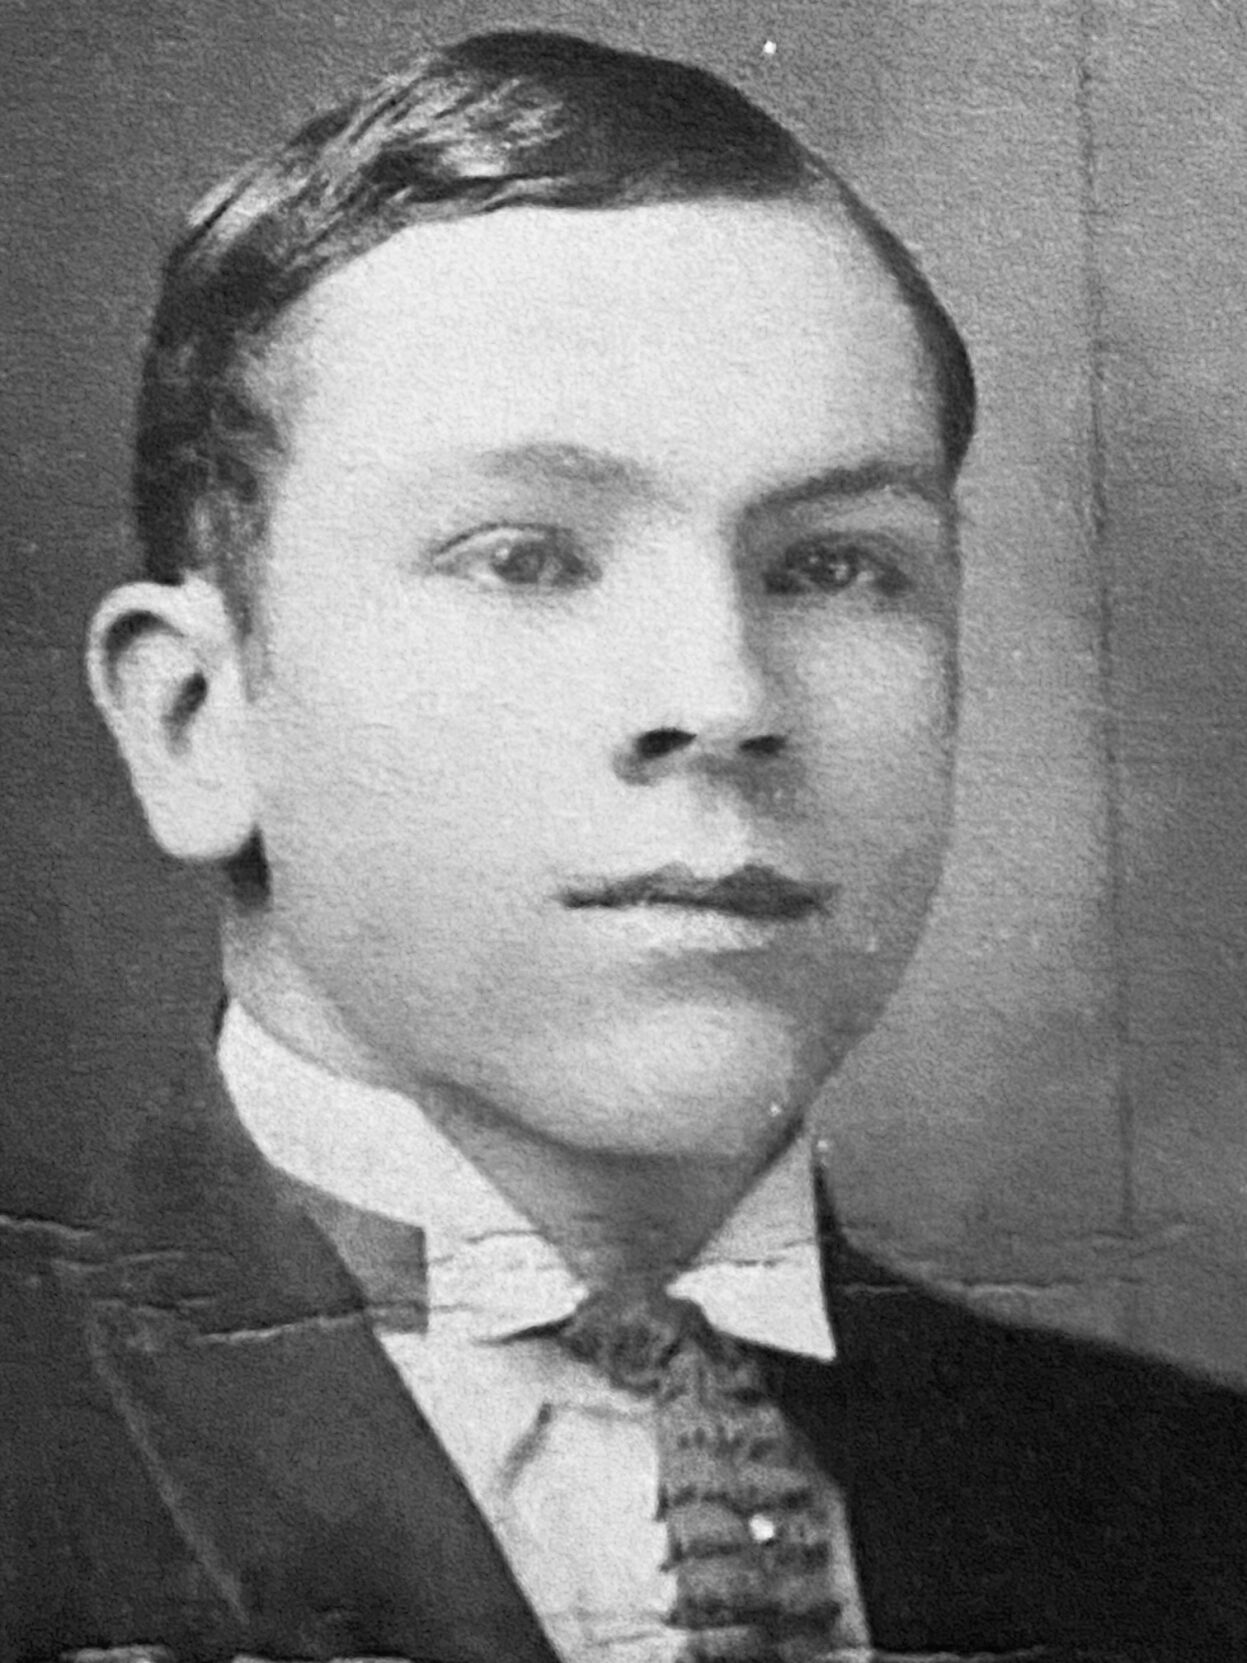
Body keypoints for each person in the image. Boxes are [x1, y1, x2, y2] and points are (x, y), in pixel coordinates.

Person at [4, 27, 1246, 1663]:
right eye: (525, 557)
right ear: (195, 718)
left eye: (836, 566)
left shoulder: (1193, 1506)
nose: (721, 699)